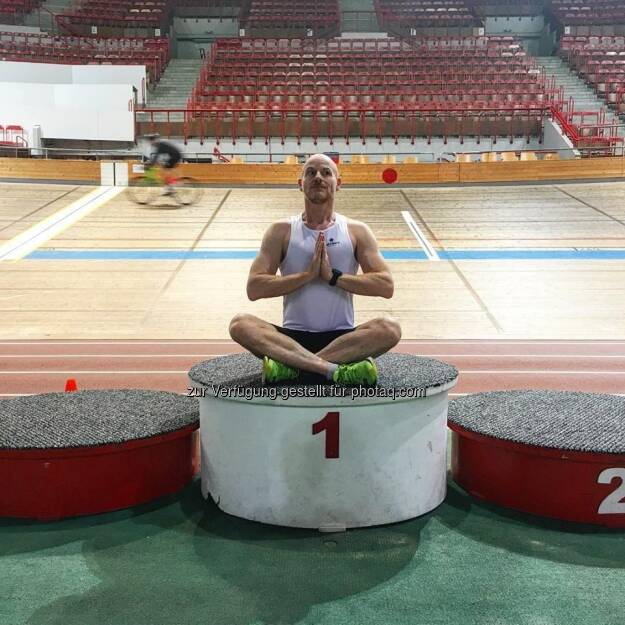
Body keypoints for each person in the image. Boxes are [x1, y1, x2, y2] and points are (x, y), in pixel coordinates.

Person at [229, 153, 402, 385]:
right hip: (291, 339)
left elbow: (385, 285)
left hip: (343, 339)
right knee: (240, 324)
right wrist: (307, 276)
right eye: (310, 172)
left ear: (338, 183)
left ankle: (295, 367)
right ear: (300, 184)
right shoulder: (280, 231)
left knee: (389, 328)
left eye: (326, 173)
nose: (318, 177)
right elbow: (254, 288)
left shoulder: (356, 231)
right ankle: (331, 369)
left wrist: (333, 277)